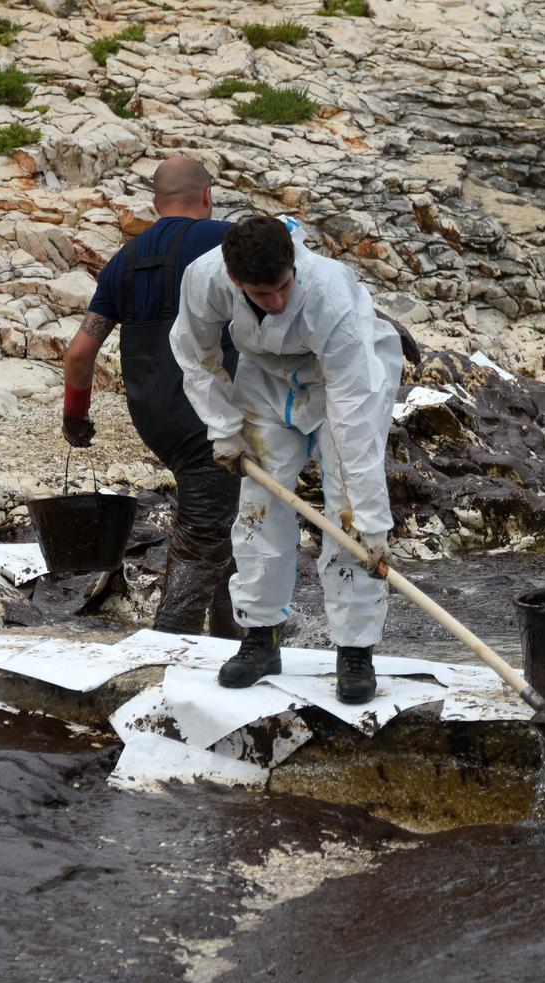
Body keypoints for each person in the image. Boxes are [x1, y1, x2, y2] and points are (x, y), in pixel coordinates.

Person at [168, 215, 404, 704]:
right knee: (260, 505)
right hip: (268, 380)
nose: (275, 302)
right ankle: (260, 637)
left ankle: (355, 649)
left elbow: (354, 420)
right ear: (235, 280)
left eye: (282, 288)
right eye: (261, 294)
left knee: (347, 512)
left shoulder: (330, 296)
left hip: (345, 378)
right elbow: (195, 353)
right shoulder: (205, 278)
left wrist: (373, 524)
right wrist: (225, 428)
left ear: (293, 265)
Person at [59, 156, 242, 638]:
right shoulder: (225, 241)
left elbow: (79, 353)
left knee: (228, 522)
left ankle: (235, 636)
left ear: (155, 205)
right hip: (208, 415)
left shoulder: (124, 260)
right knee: (203, 531)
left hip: (154, 418)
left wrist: (75, 419)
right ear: (208, 196)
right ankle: (165, 647)